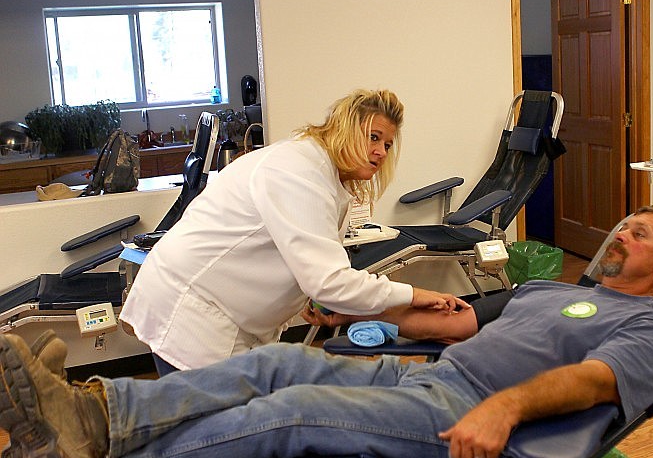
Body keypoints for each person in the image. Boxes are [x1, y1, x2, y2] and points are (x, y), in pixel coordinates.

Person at [0, 205, 653, 458]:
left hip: (463, 408)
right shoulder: (550, 289)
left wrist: (504, 406)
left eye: (639, 234)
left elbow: (592, 382)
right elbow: (455, 323)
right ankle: (93, 417)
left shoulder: (649, 329)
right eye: (626, 224)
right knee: (269, 366)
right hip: (424, 373)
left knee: (288, 413)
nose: (621, 234)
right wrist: (357, 314)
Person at [119, 89, 467, 374]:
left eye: (388, 145)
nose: (380, 152)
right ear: (345, 129)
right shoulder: (300, 172)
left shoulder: (324, 175)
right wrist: (414, 293)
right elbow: (329, 281)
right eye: (373, 137)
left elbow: (307, 262)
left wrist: (317, 298)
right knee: (208, 437)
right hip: (192, 315)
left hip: (225, 319)